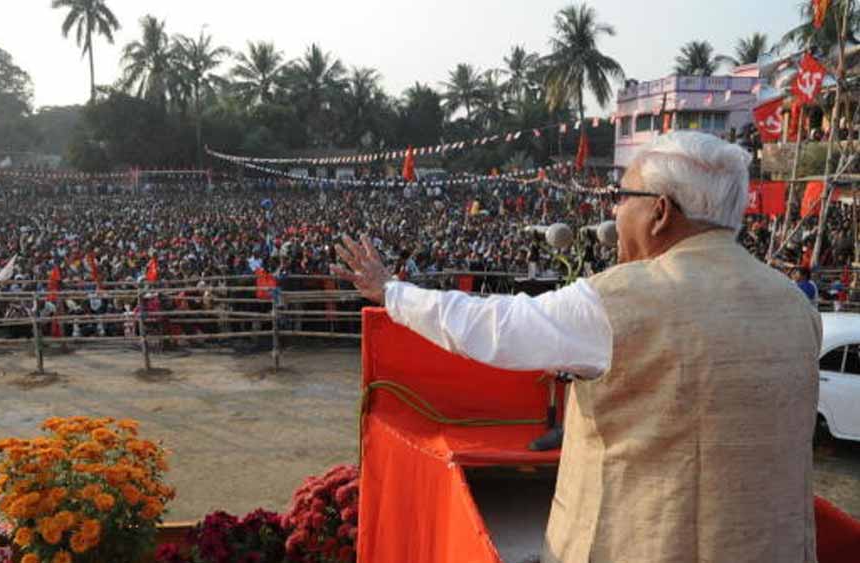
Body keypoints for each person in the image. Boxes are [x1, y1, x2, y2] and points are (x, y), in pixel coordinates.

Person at [332, 131, 821, 563]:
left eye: (621, 196)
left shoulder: (621, 299)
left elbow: (495, 327)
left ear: (660, 211)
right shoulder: (797, 304)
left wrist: (391, 292)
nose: (613, 211)